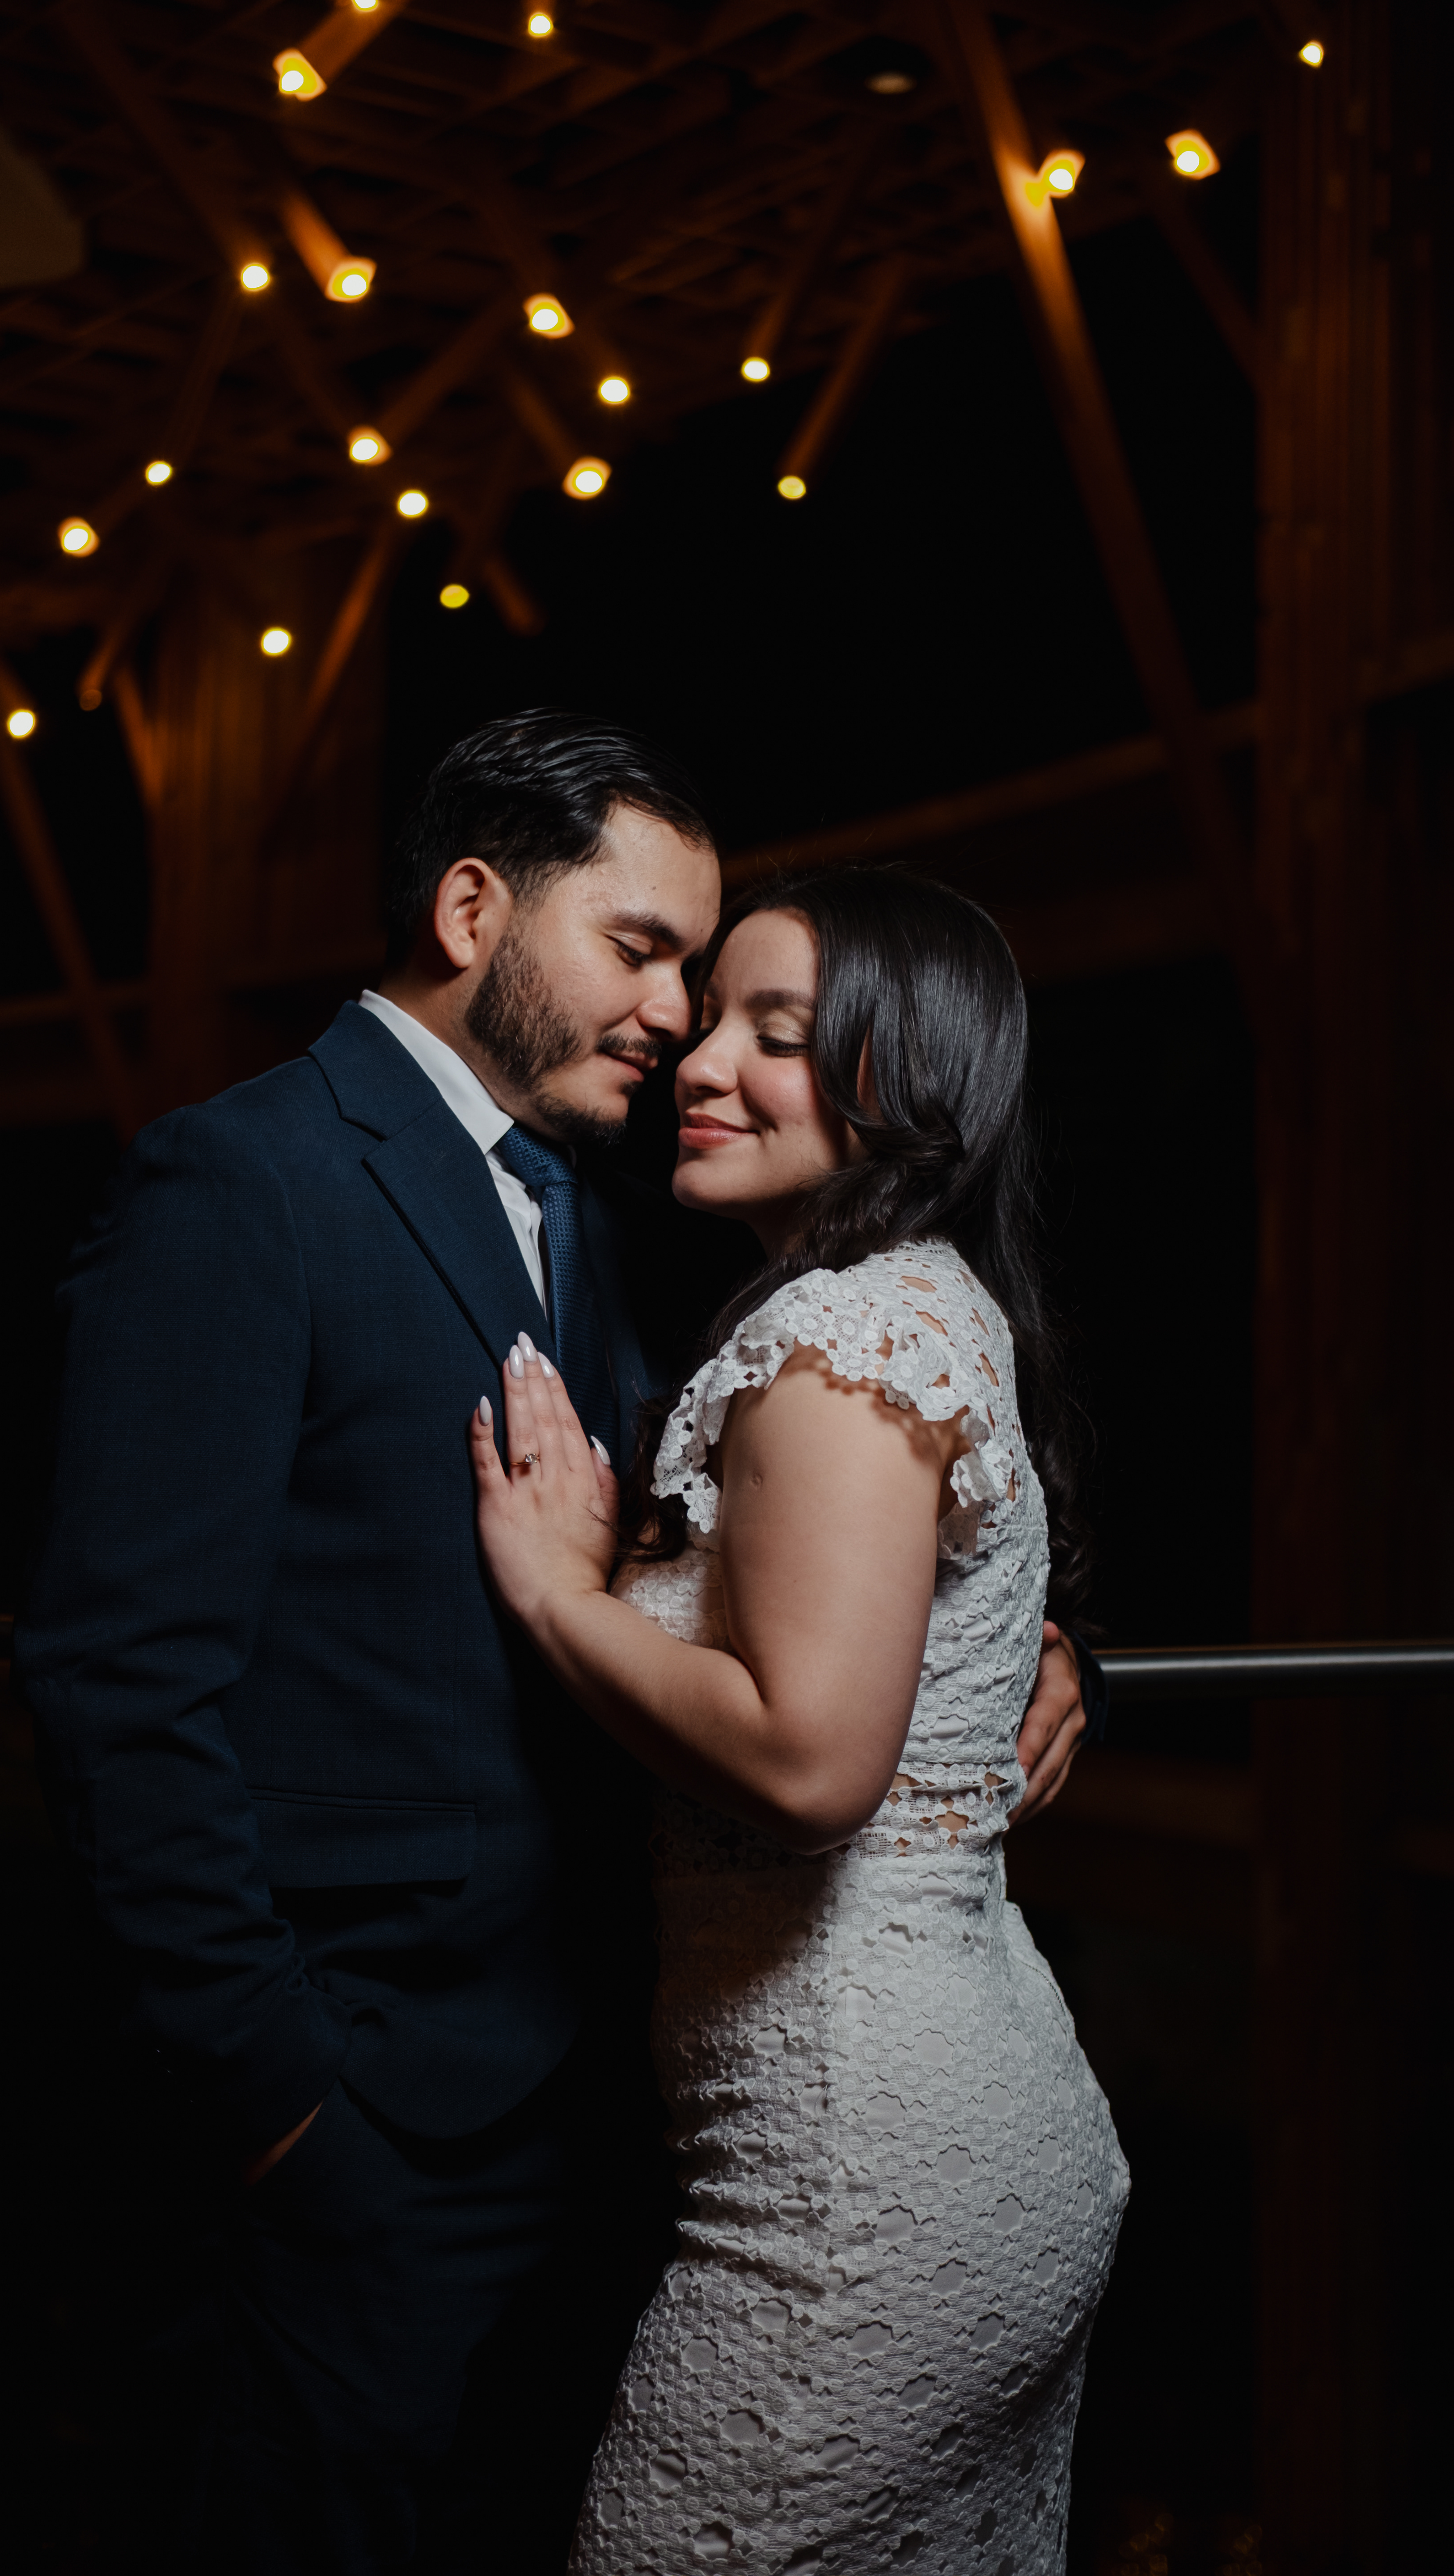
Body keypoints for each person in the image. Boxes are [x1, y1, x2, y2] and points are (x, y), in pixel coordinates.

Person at [15, 714, 1095, 2576]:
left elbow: (790, 1537)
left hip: (599, 2122)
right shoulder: (245, 1181)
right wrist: (279, 2110)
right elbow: (120, 1680)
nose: (678, 1017)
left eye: (705, 974)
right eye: (642, 949)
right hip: (357, 2132)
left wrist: (1018, 1647)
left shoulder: (612, 1215)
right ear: (470, 911)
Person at [469, 867, 1127, 2575]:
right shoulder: (922, 1299)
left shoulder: (841, 1337)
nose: (700, 1061)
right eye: (715, 1019)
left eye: (779, 1033)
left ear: (903, 1081)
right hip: (965, 2135)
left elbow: (814, 1760)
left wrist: (560, 1595)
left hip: (860, 2192)